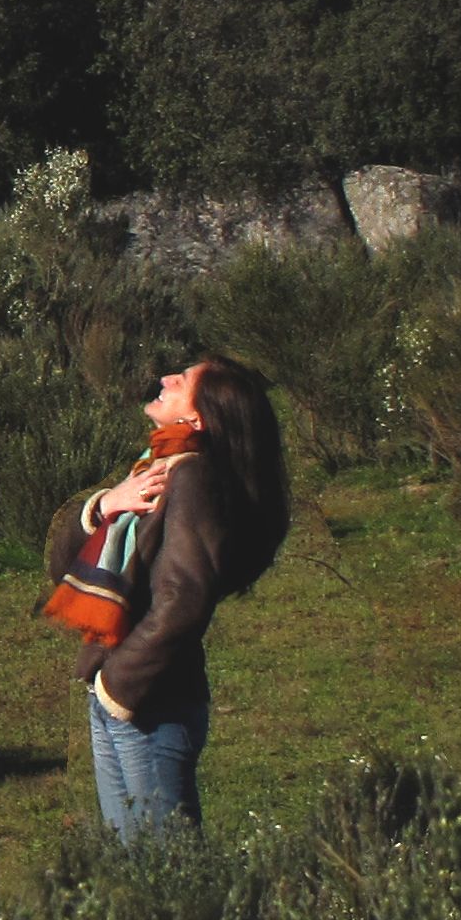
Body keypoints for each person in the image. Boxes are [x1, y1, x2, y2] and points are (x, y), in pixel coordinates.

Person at [43, 356, 292, 837]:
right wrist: (106, 505)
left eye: (184, 380)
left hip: (150, 703)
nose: (166, 378)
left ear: (197, 419)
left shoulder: (193, 478)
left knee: (166, 870)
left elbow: (185, 599)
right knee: (136, 868)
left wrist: (120, 685)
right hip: (120, 694)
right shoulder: (154, 467)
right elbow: (64, 568)